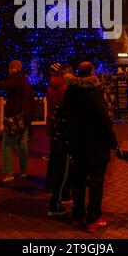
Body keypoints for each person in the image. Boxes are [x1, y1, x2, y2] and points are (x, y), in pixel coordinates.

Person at [64, 61, 120, 233]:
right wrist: (113, 142)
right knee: (96, 181)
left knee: (78, 181)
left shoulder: (70, 91)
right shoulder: (93, 92)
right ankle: (93, 217)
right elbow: (104, 120)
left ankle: (78, 214)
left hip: (76, 143)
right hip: (95, 145)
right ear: (92, 72)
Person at [0, 60, 34, 184]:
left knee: (7, 145)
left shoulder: (15, 79)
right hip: (25, 118)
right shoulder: (26, 81)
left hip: (15, 118)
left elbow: (4, 84)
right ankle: (24, 171)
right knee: (23, 146)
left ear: (13, 68)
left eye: (10, 68)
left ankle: (8, 173)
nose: (8, 71)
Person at [46, 63, 71, 217]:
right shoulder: (65, 88)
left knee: (54, 157)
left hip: (52, 124)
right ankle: (61, 195)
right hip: (63, 128)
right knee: (64, 164)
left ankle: (51, 184)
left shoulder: (50, 87)